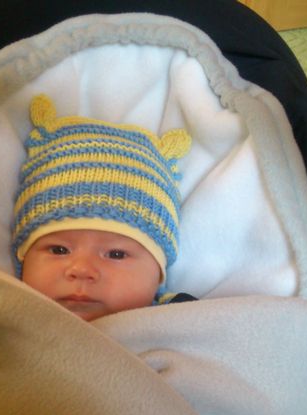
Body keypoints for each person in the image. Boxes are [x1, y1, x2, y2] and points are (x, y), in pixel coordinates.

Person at [11, 94, 195, 321]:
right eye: (59, 250)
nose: (81, 270)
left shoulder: (183, 320)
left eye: (116, 254)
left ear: (159, 274)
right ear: (22, 259)